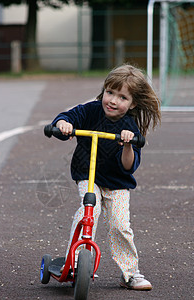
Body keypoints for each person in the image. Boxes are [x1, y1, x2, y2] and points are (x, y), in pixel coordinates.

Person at [51, 63, 161, 290]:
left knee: (120, 225)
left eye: (122, 97)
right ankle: (76, 263)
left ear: (133, 103)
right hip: (88, 176)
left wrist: (128, 144)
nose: (113, 100)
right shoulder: (91, 111)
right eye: (110, 92)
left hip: (117, 183)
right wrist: (63, 125)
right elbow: (67, 117)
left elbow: (128, 166)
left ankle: (130, 273)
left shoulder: (130, 127)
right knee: (88, 212)